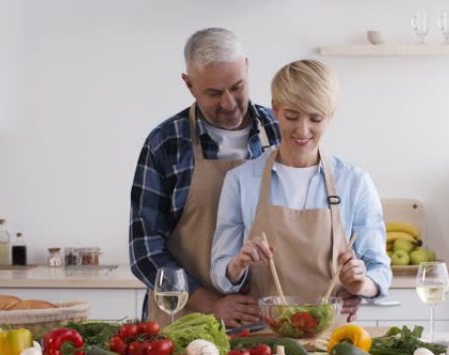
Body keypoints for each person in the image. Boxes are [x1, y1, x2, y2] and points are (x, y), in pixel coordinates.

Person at [210, 59, 391, 321]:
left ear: (331, 116)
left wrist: (361, 284)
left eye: (316, 118)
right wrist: (237, 265)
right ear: (275, 110)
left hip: (333, 340)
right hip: (262, 339)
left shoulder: (355, 183)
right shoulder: (240, 181)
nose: (302, 130)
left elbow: (380, 270)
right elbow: (220, 274)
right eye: (291, 116)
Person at [129, 28, 280, 327]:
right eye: (213, 93)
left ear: (247, 67)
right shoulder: (166, 143)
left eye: (237, 86)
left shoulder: (279, 131)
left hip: (264, 320)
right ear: (189, 84)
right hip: (184, 320)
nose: (228, 103)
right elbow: (144, 251)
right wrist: (212, 305)